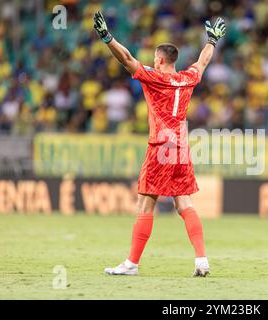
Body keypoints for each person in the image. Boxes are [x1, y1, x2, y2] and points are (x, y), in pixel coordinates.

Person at [93, 12, 226, 277]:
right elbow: (202, 62)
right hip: (181, 147)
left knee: (145, 205)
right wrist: (212, 40)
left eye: (155, 57)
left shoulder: (155, 78)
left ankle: (131, 263)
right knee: (184, 203)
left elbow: (126, 59)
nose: (153, 60)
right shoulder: (188, 78)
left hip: (160, 146)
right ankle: (201, 260)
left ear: (160, 59)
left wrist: (107, 37)